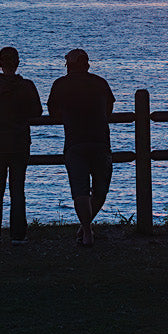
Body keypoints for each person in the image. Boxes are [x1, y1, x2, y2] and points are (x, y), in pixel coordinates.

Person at [47, 49, 116, 246]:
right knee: (100, 191)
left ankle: (86, 231)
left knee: (80, 190)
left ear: (69, 65)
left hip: (75, 142)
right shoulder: (100, 83)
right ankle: (86, 228)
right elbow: (109, 110)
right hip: (101, 141)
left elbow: (52, 112)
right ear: (87, 64)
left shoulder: (60, 84)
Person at [0, 46, 42, 244]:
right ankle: (18, 233)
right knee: (18, 188)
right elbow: (37, 111)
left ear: (0, 64)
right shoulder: (27, 86)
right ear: (17, 63)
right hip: (20, 142)